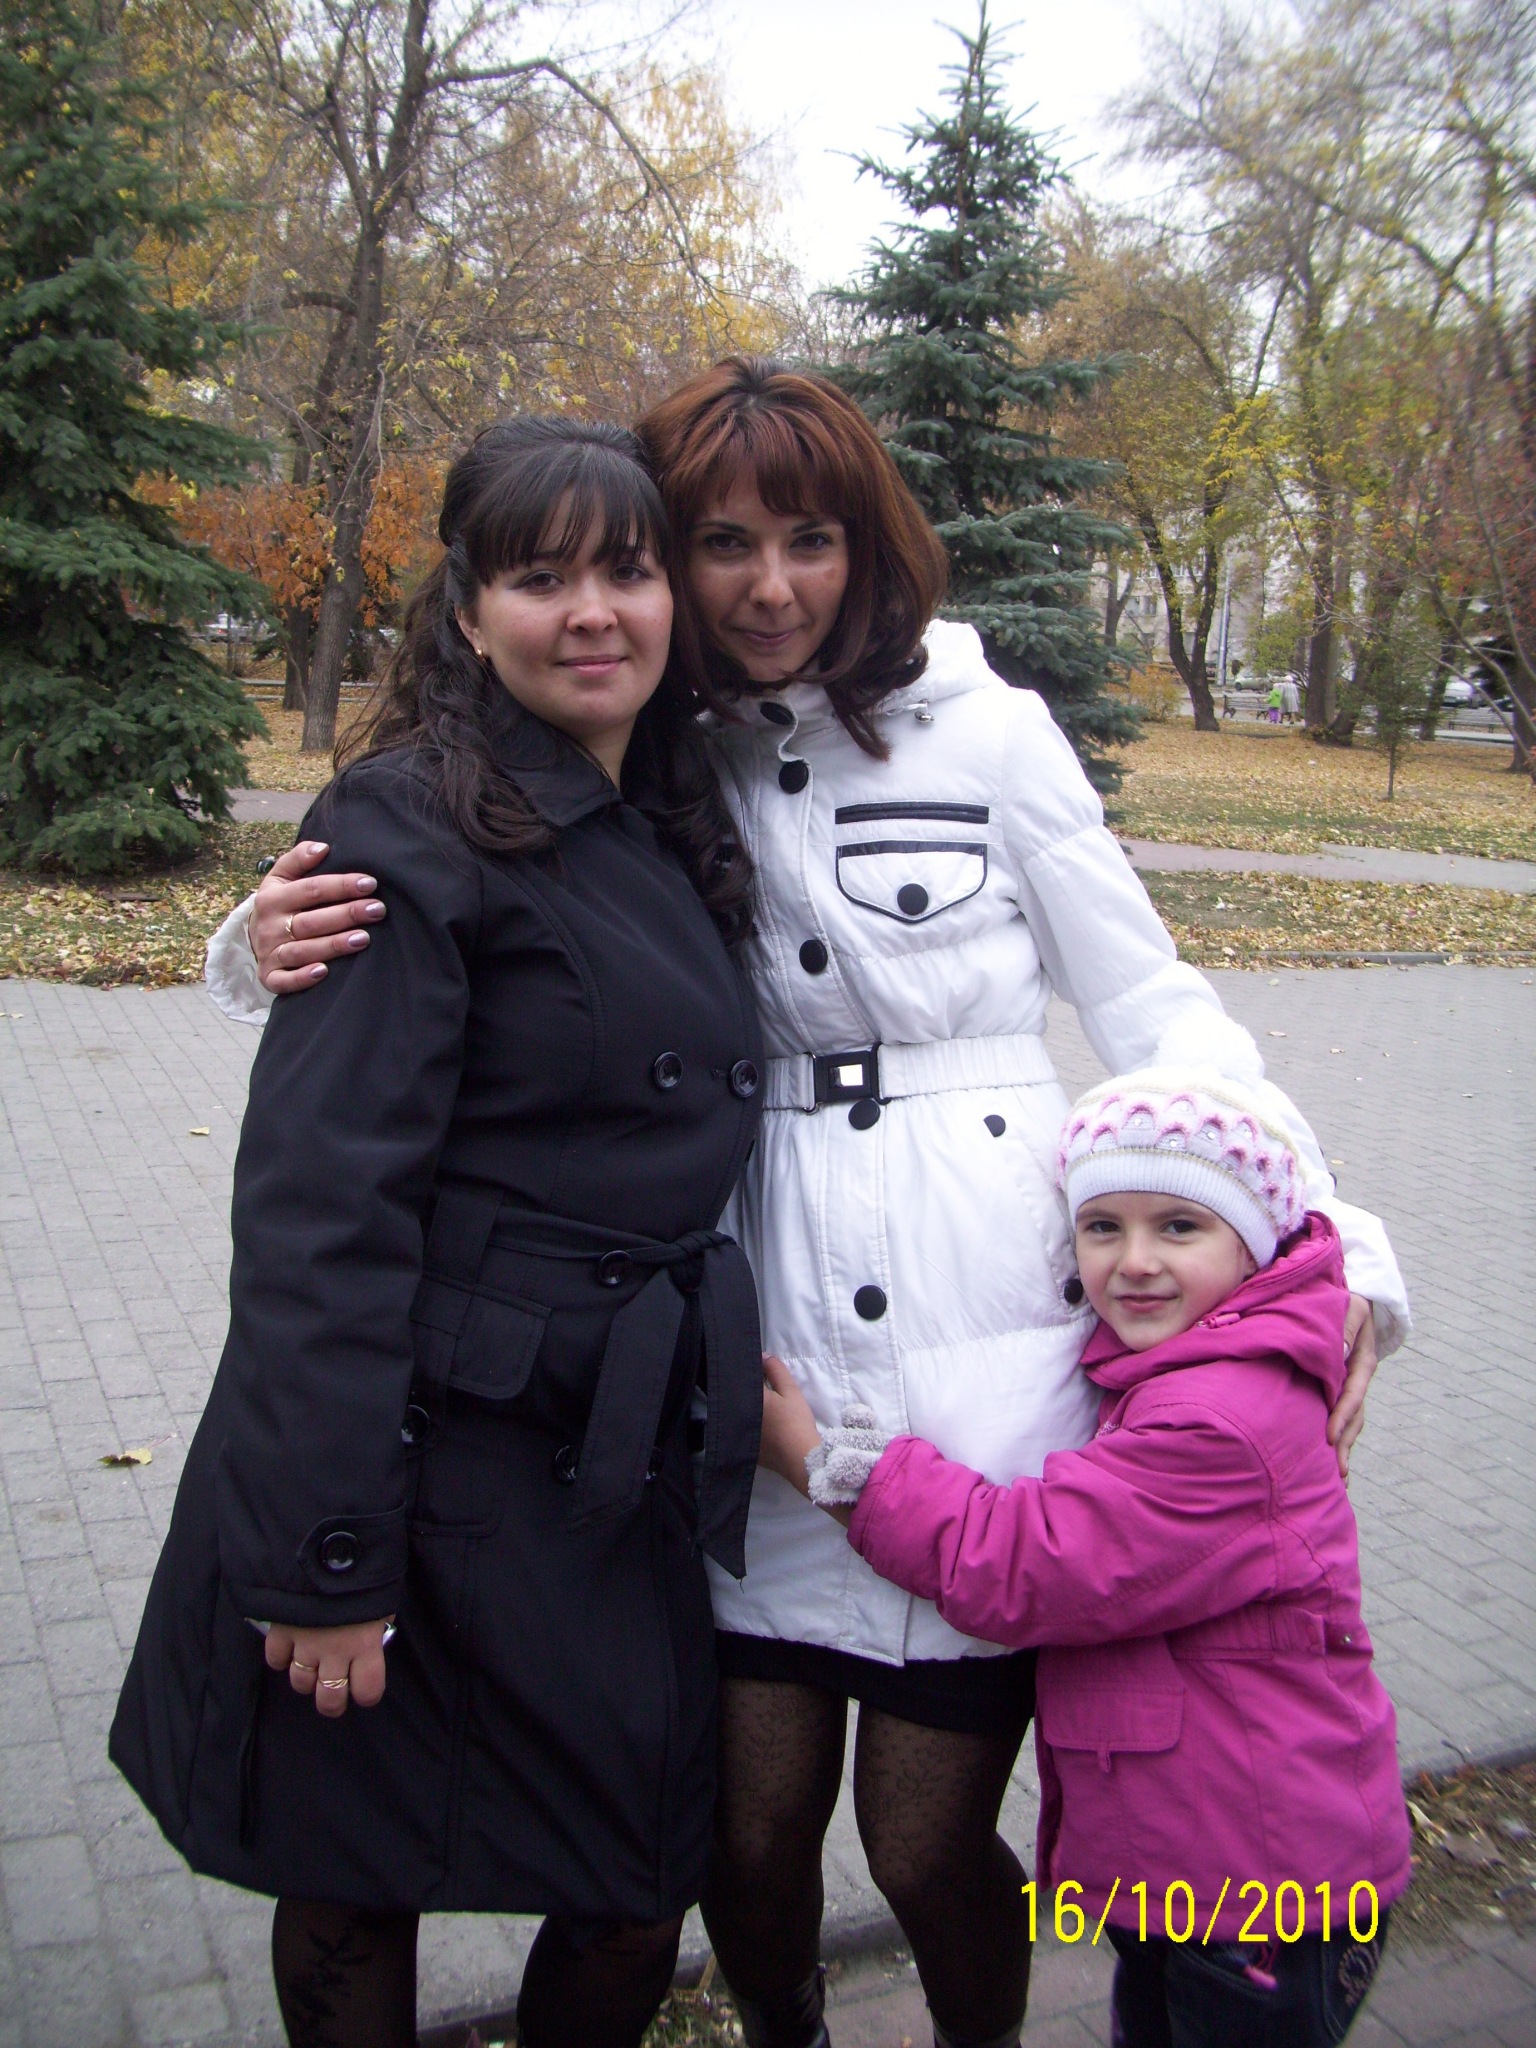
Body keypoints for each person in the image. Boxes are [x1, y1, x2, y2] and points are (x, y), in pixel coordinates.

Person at [208, 359, 1409, 2048]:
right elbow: (473, 879)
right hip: (749, 1346)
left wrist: (1336, 1250)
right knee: (744, 1839)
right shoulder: (653, 736)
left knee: (923, 1843)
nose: (771, 587)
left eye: (812, 540)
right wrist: (246, 940)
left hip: (979, 1334)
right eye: (724, 542)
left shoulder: (989, 729)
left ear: (869, 544)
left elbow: (1163, 1011)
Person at [110, 418, 769, 2048]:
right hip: (414, 1450)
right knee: (354, 1863)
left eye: (627, 569)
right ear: (468, 613)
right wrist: (326, 1560)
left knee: (635, 1874)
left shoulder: (664, 798)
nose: (593, 611)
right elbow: (321, 1209)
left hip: (593, 1454)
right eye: (541, 578)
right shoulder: (407, 822)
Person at [758, 1058, 1411, 2048]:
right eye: (1103, 1227)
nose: (1134, 1261)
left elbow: (1025, 1562)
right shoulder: (1179, 1370)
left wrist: (830, 1465)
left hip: (1262, 1900)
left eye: (1179, 1226)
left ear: (1256, 1242)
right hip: (1200, 1872)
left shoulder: (1219, 1419)